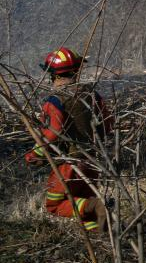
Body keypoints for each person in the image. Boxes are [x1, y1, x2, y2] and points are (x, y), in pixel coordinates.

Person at [24, 48, 112, 233]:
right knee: (84, 203)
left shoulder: (55, 101)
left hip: (69, 164)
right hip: (93, 161)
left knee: (54, 206)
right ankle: (101, 235)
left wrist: (35, 153)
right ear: (76, 70)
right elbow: (108, 124)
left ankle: (97, 205)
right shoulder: (92, 95)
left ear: (53, 74)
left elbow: (52, 132)